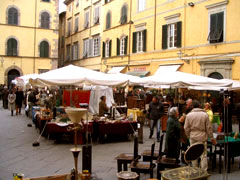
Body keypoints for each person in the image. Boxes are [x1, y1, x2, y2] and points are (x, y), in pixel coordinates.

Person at [184, 100, 216, 171]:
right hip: (202, 137)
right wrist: (211, 137)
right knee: (203, 155)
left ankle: (195, 171)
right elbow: (209, 127)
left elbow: (186, 128)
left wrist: (188, 135)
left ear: (192, 106)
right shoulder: (204, 115)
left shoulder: (189, 115)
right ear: (199, 106)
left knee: (193, 154)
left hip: (193, 137)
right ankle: (203, 172)